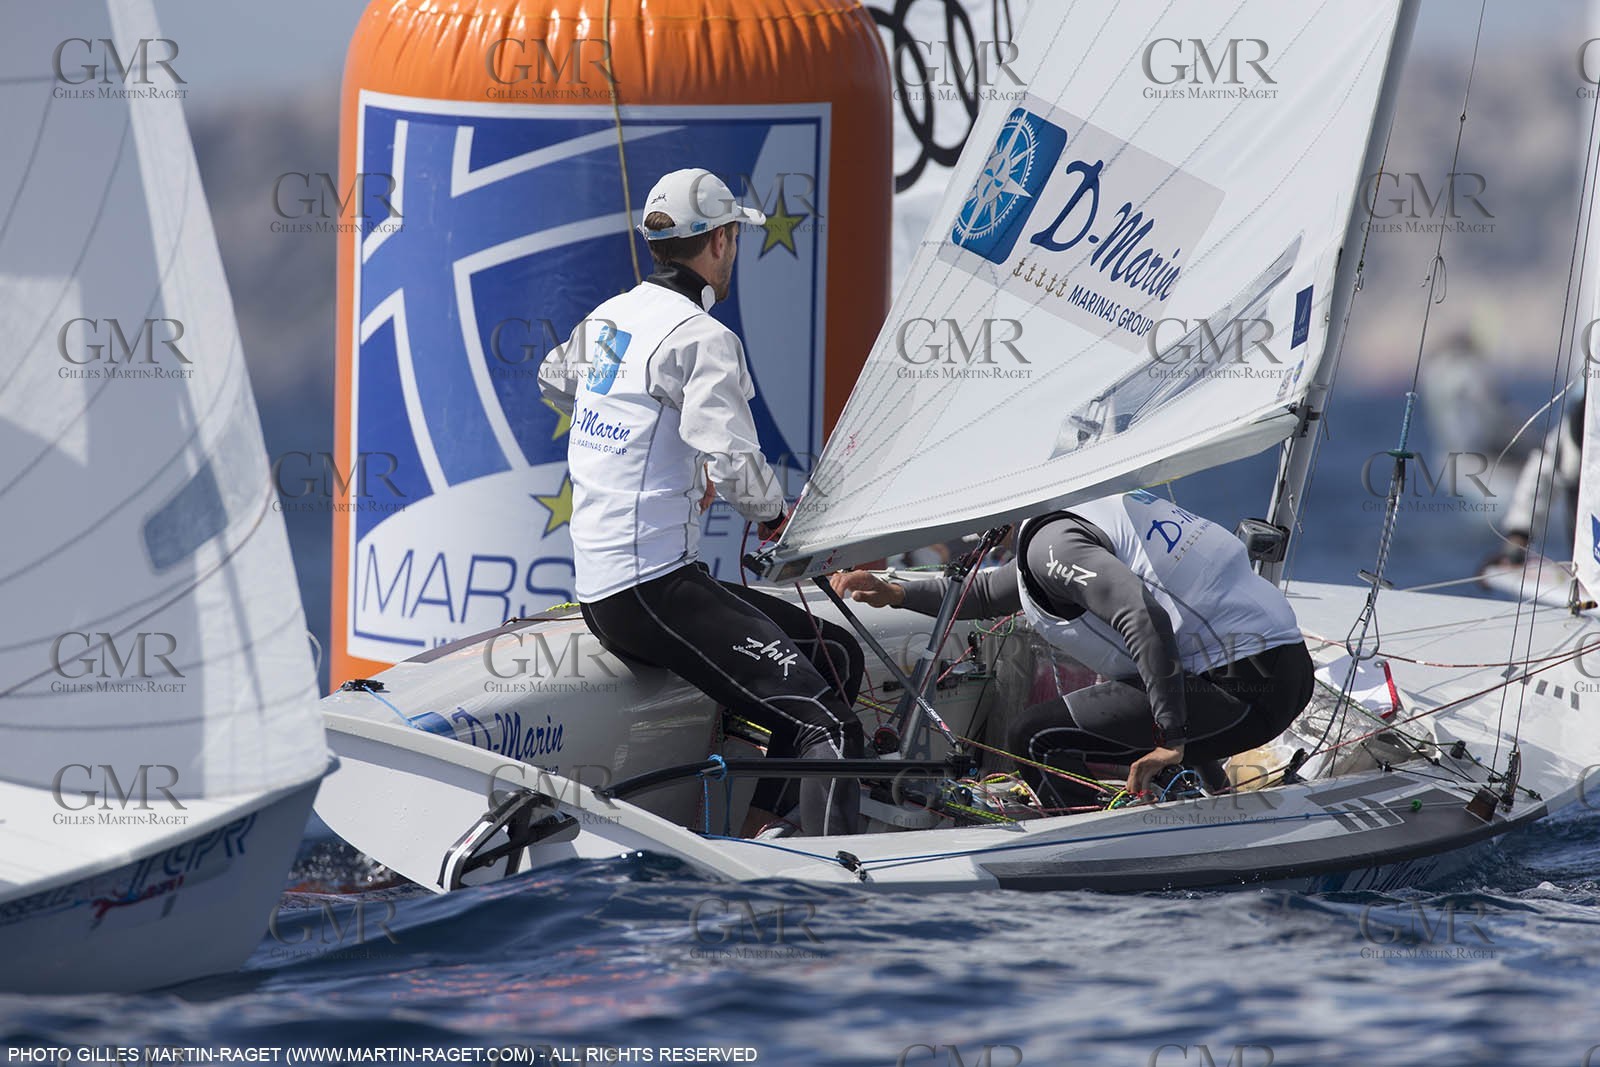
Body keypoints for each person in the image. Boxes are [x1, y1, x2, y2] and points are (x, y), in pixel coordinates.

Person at [538, 168, 865, 836]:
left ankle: (764, 832)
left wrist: (660, 453)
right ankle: (822, 890)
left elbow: (554, 379)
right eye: (734, 239)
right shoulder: (701, 337)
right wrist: (779, 521)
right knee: (830, 723)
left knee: (837, 654)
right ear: (718, 243)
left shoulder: (611, 316)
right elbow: (740, 467)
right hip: (653, 593)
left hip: (611, 593)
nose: (734, 253)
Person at [831, 489, 1313, 804]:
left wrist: (1172, 741)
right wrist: (896, 592)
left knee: (1035, 737)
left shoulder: (1052, 544)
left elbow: (1145, 618)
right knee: (1136, 698)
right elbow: (987, 593)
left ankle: (1085, 858)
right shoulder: (1086, 512)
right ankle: (1183, 803)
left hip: (1241, 694)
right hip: (1284, 673)